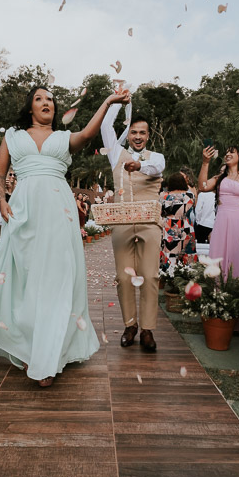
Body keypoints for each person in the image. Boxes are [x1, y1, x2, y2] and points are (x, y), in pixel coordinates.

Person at [0, 85, 129, 386]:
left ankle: (48, 356)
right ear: (30, 107)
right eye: (39, 98)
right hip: (24, 210)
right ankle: (29, 344)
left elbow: (88, 134)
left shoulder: (64, 138)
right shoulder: (13, 136)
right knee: (25, 279)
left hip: (58, 210)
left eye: (51, 99)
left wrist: (107, 101)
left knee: (57, 278)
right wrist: (1, 199)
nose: (46, 103)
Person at [101, 109, 166, 352]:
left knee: (150, 276)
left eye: (142, 132)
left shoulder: (156, 157)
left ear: (148, 135)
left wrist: (139, 165)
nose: (138, 136)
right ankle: (131, 325)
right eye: (134, 132)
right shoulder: (115, 153)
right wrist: (117, 102)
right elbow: (105, 127)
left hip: (149, 222)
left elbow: (155, 168)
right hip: (122, 221)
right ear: (127, 134)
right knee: (124, 276)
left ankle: (148, 329)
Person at [199, 145, 239, 278]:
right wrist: (205, 163)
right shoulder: (220, 177)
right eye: (226, 153)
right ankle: (218, 293)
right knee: (219, 255)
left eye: (232, 152)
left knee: (238, 254)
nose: (227, 154)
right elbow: (202, 187)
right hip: (221, 221)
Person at [159, 173, 196, 271]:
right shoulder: (190, 195)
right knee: (186, 253)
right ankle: (186, 275)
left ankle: (167, 274)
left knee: (169, 252)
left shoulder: (164, 196)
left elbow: (160, 211)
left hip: (169, 225)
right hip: (185, 224)